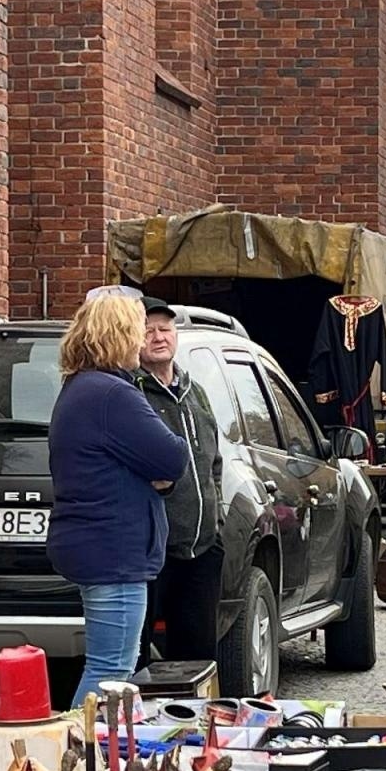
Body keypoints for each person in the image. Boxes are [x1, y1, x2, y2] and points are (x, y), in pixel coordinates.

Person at [48, 289, 189, 703]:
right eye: (136, 331)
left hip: (94, 542)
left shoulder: (80, 387)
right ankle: (83, 756)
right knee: (111, 669)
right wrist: (153, 474)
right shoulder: (112, 394)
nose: (142, 341)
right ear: (119, 336)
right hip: (115, 549)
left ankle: (93, 755)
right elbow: (173, 457)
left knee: (109, 663)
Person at [134, 297, 225, 662]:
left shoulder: (195, 392)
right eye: (149, 331)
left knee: (198, 659)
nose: (159, 337)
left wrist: (215, 523)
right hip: (153, 551)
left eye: (165, 329)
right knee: (138, 661)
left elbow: (213, 461)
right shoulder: (132, 391)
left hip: (201, 549)